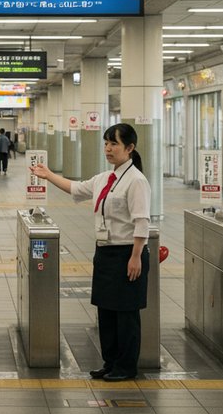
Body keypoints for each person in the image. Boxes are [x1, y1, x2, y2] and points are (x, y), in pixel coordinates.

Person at [30, 123, 151, 381]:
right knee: (106, 311)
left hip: (127, 252)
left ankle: (126, 366)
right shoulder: (105, 178)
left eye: (114, 144)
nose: (108, 148)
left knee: (126, 314)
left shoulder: (137, 181)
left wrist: (136, 256)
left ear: (129, 148)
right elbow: (76, 189)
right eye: (106, 143)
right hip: (106, 253)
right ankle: (111, 362)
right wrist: (49, 175)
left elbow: (142, 221)